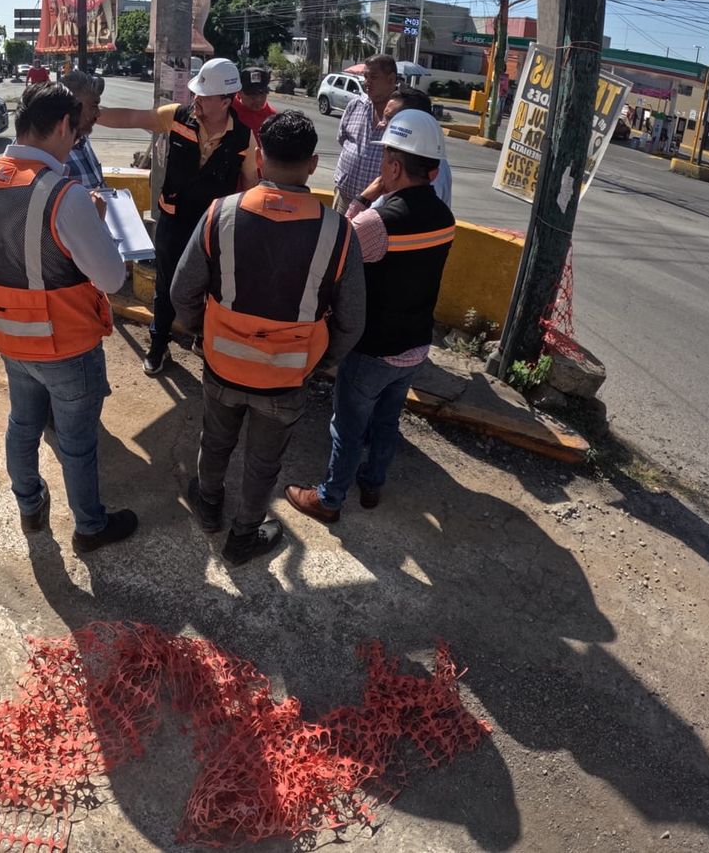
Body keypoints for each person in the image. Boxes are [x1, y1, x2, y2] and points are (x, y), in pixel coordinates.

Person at [171, 111, 365, 564]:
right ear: (313, 164)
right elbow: (352, 320)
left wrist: (205, 332)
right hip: (287, 375)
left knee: (216, 440)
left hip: (223, 365)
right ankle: (243, 535)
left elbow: (182, 292)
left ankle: (209, 505)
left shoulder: (222, 213)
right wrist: (320, 361)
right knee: (263, 462)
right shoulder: (339, 232)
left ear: (259, 157)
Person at [0, 82, 137, 554]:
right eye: (74, 132)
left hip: (9, 335)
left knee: (23, 423)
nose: (74, 141)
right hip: (66, 343)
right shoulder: (66, 194)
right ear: (63, 124)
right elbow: (111, 278)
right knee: (77, 443)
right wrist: (97, 223)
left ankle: (29, 503)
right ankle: (90, 526)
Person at [285, 109, 455, 522]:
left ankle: (329, 498)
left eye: (385, 160)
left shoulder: (380, 222)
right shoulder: (445, 218)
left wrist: (366, 194)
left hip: (374, 349)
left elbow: (337, 241)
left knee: (347, 425)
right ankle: (373, 483)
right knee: (387, 421)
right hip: (415, 346)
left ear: (394, 167)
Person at [99, 57, 258, 375]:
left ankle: (203, 338)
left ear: (226, 101)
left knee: (211, 287)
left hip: (212, 227)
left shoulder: (244, 139)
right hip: (172, 221)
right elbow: (133, 117)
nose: (196, 100)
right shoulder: (178, 116)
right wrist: (89, 115)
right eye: (196, 93)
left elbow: (252, 186)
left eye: (204, 96)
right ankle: (158, 346)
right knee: (166, 287)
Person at [356, 88, 452, 209]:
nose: (381, 124)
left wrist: (362, 201)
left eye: (391, 118)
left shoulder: (425, 168)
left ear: (414, 120)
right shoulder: (423, 158)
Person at [332, 54, 398, 214]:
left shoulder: (403, 114)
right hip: (344, 197)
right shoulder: (356, 105)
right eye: (365, 77)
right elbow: (343, 139)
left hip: (379, 208)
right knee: (339, 238)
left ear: (391, 79)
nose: (367, 83)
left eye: (373, 77)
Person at [61, 70, 106, 190]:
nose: (98, 113)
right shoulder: (53, 151)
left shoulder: (82, 138)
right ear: (73, 106)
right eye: (94, 105)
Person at [231, 66, 276, 139]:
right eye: (252, 95)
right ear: (239, 92)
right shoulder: (228, 110)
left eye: (262, 94)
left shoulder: (272, 117)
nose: (258, 99)